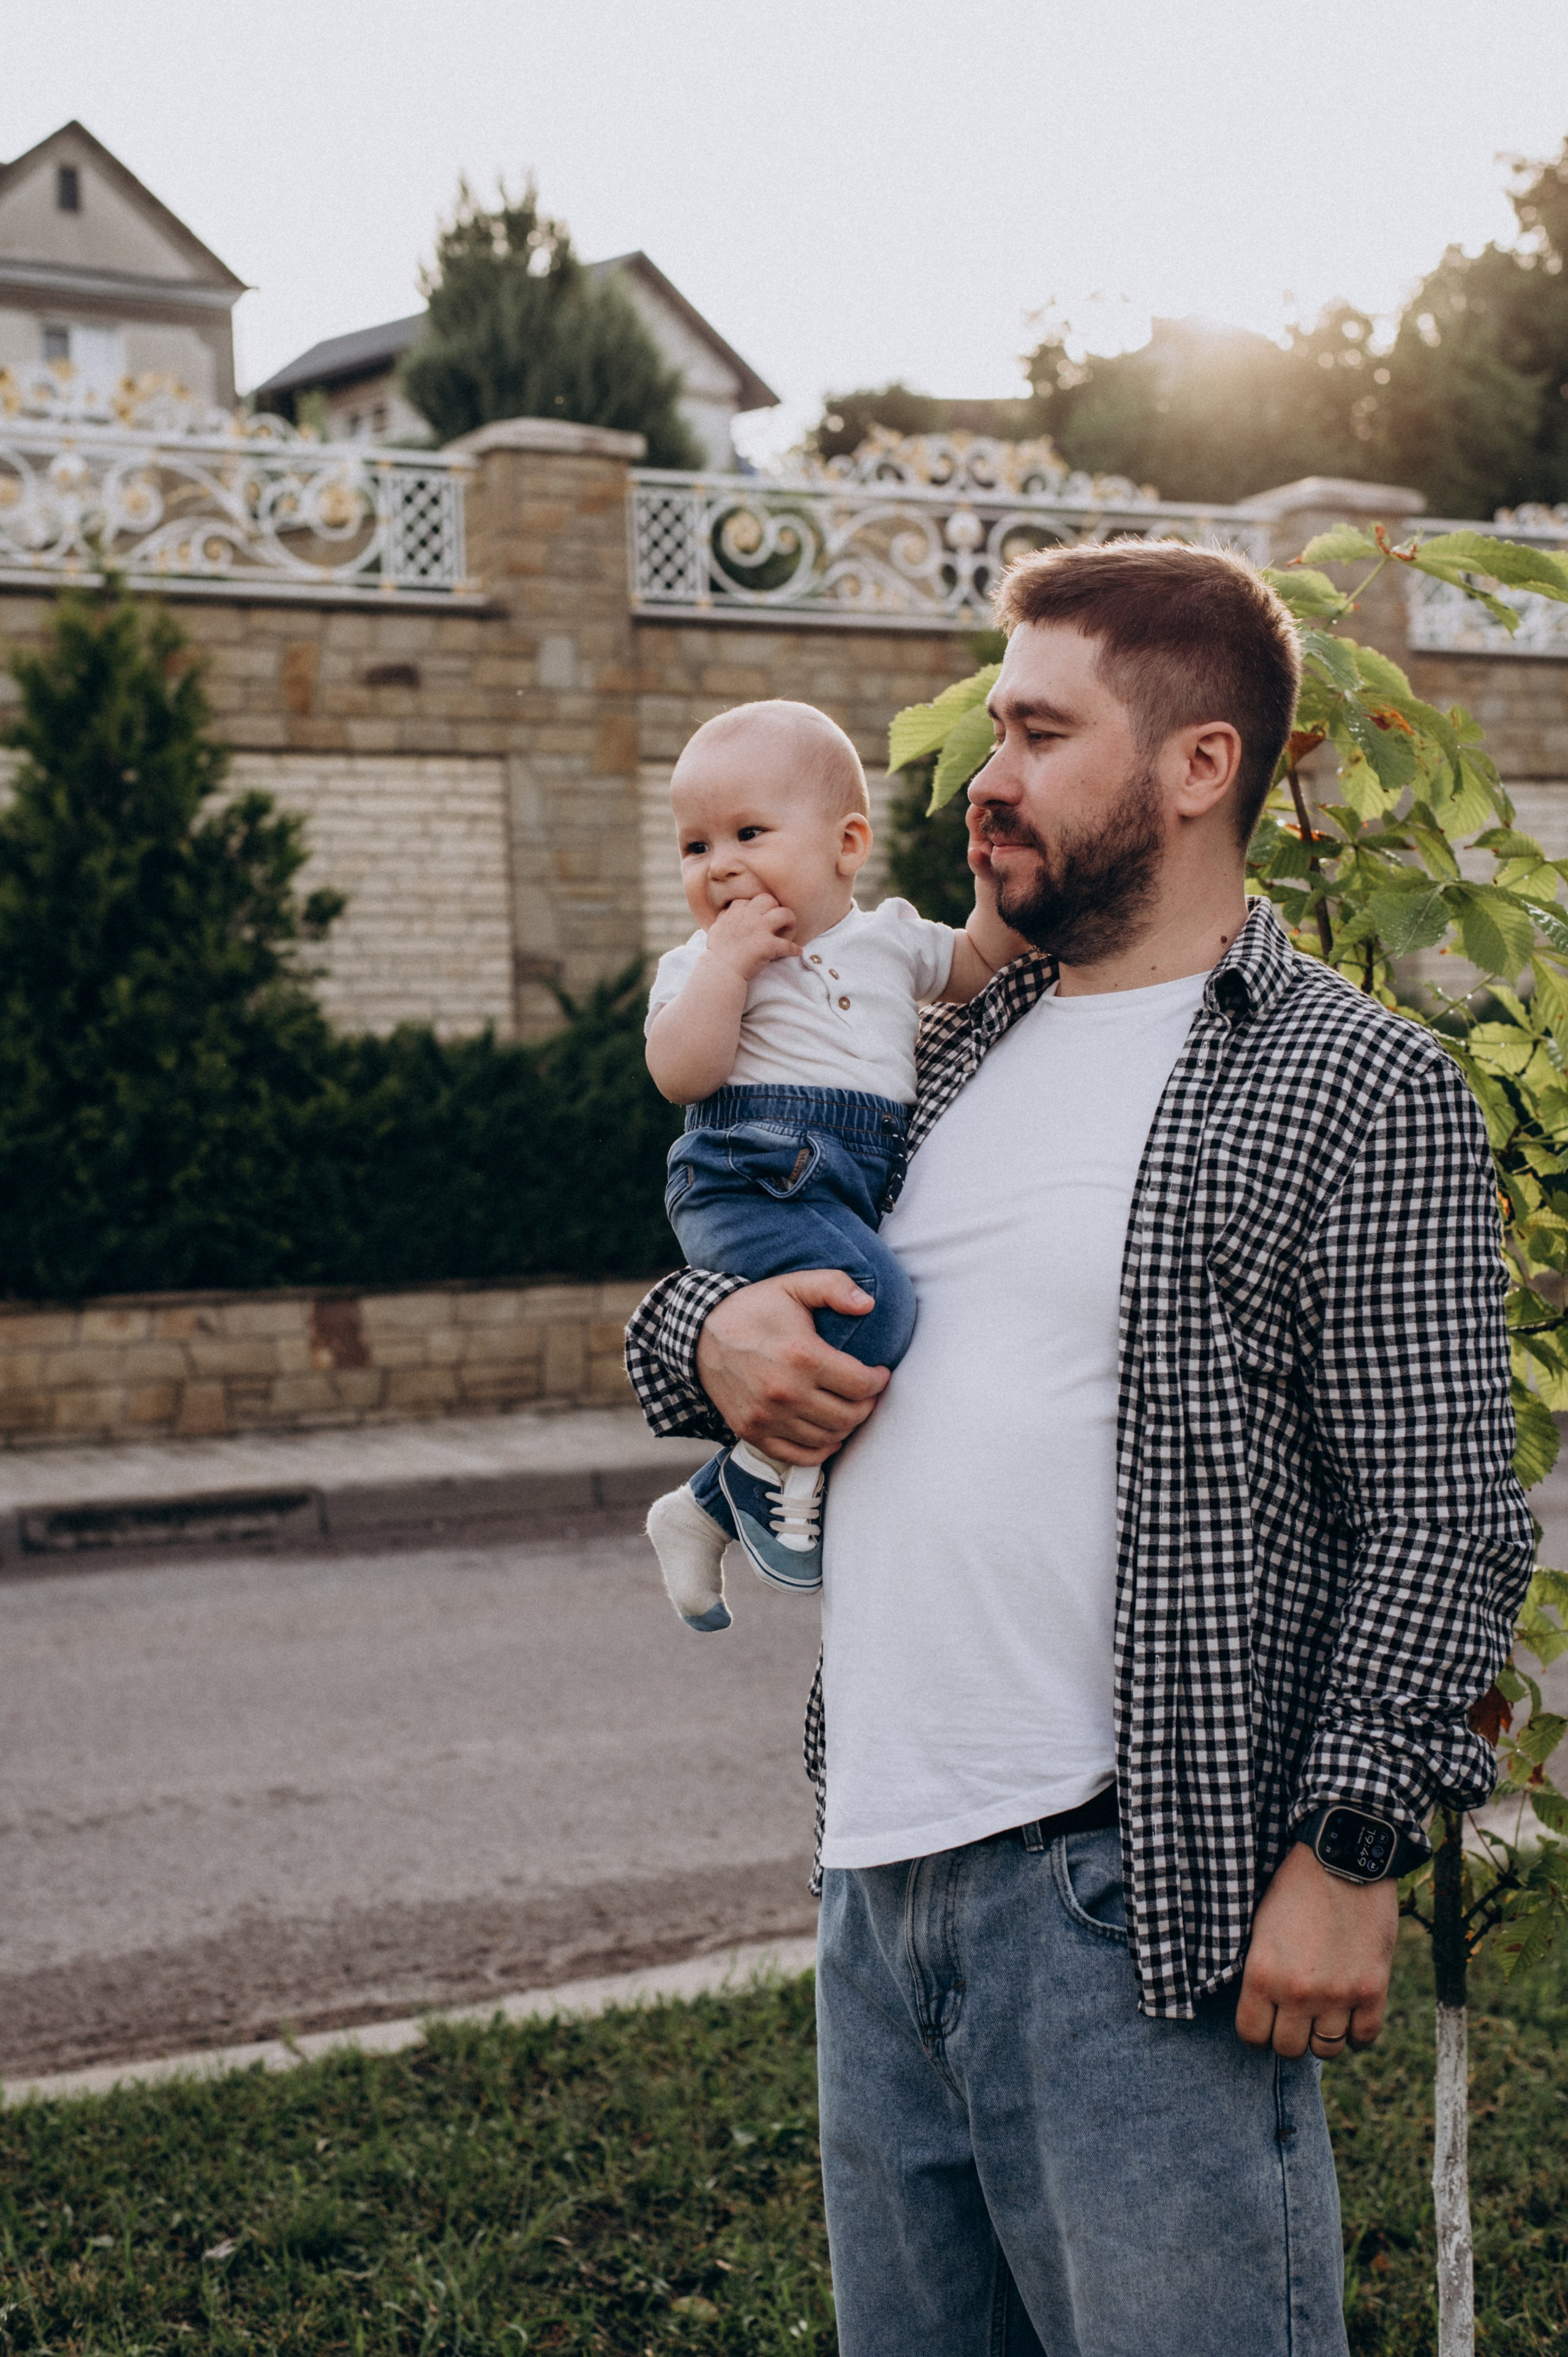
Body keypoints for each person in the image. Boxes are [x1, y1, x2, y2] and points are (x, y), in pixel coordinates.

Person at [625, 540, 1536, 2356]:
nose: (986, 777)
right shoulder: (943, 1039)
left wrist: (1352, 1854)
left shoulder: (1352, 1085)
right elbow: (737, 1252)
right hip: (877, 1881)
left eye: (1038, 734)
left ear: (1200, 766)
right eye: (994, 732)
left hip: (1134, 1901)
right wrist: (701, 1334)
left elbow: (1442, 1512)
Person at [643, 699, 1030, 1629]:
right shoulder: (699, 964)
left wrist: (988, 879)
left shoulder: (890, 939)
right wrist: (727, 971)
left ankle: (713, 1499)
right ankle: (755, 1478)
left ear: (847, 844)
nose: (720, 865)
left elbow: (983, 961)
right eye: (695, 847)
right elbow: (680, 1075)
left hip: (842, 1179)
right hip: (744, 1176)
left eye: (749, 834)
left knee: (844, 1322)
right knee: (875, 1303)